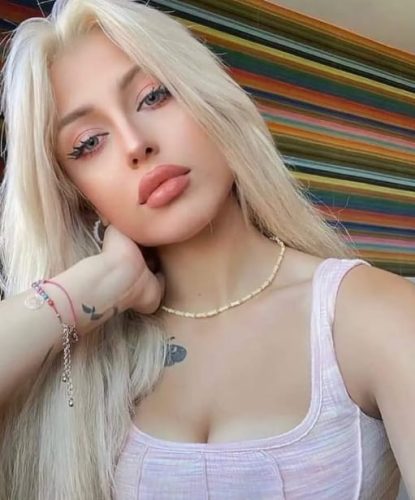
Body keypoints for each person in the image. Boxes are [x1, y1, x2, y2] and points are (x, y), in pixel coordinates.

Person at [0, 0, 413, 498]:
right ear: (78, 196)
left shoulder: (367, 313)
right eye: (89, 143)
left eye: (153, 96)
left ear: (211, 101)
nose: (134, 143)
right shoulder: (84, 358)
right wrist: (101, 280)